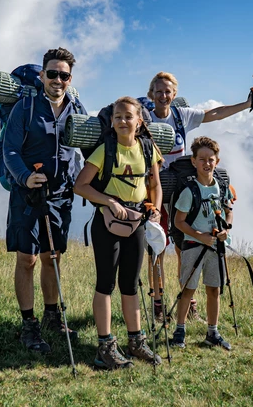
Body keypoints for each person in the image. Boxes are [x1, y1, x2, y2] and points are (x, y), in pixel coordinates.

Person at [146, 71, 253, 322]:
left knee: (186, 248)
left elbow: (213, 114)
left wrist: (247, 104)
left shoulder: (181, 115)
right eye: (159, 91)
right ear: (152, 94)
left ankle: (187, 302)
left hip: (183, 188)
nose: (164, 95)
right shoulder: (145, 119)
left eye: (168, 91)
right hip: (156, 188)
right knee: (158, 248)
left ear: (174, 94)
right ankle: (159, 303)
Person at [3, 47, 86, 354]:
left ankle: (52, 315)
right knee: (27, 258)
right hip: (27, 193)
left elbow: (88, 144)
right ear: (42, 75)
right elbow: (10, 150)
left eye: (63, 75)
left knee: (53, 256)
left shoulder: (76, 107)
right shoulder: (25, 108)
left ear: (70, 79)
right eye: (52, 73)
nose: (57, 80)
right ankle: (29, 324)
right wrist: (25, 176)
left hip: (61, 194)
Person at [74, 96, 163, 370]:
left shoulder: (148, 149)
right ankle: (105, 347)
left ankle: (135, 341)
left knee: (130, 282)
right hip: (107, 224)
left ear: (139, 121)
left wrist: (156, 209)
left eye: (128, 116)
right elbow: (80, 185)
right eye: (117, 117)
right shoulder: (105, 150)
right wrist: (109, 201)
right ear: (111, 122)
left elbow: (155, 185)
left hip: (137, 222)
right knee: (105, 284)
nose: (123, 121)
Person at [171, 136, 234, 350]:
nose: (207, 163)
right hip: (193, 246)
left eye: (211, 159)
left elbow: (228, 210)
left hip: (216, 247)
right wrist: (200, 236)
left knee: (214, 289)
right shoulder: (189, 191)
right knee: (188, 289)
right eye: (202, 159)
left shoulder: (221, 186)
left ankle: (212, 332)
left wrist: (226, 229)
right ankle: (180, 330)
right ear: (193, 162)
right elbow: (178, 222)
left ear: (217, 161)